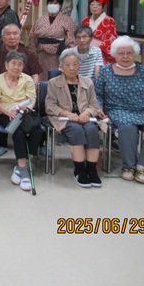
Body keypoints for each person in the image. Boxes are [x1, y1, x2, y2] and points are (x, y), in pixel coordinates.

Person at [95, 36, 144, 184]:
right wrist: (99, 108)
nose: (125, 56)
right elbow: (97, 94)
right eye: (121, 53)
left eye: (129, 53)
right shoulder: (106, 71)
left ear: (135, 54)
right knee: (127, 128)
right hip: (118, 109)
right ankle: (129, 166)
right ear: (115, 54)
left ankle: (143, 167)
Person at [46, 50, 103, 188]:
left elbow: (95, 105)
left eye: (75, 64)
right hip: (64, 118)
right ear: (61, 67)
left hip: (85, 118)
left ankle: (92, 170)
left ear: (80, 66)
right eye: (67, 65)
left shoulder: (88, 82)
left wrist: (87, 113)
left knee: (92, 131)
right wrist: (68, 114)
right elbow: (50, 105)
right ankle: (79, 170)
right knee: (76, 130)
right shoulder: (54, 82)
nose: (71, 68)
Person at [0, 51, 41, 192]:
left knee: (38, 131)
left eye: (20, 64)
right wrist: (9, 112)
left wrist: (25, 110)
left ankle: (21, 165)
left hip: (24, 112)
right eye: (13, 63)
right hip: (4, 112)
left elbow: (32, 99)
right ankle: (24, 170)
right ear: (6, 65)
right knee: (18, 132)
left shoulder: (27, 79)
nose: (16, 67)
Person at [29, 0, 76, 81]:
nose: (53, 5)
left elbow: (71, 38)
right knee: (42, 77)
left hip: (58, 54)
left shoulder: (67, 20)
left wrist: (68, 53)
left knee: (56, 77)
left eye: (55, 3)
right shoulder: (40, 20)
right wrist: (33, 51)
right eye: (50, 3)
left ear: (60, 5)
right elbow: (33, 36)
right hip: (41, 54)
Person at [81, 0, 117, 64]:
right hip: (86, 52)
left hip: (102, 53)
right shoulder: (85, 20)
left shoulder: (109, 21)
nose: (95, 7)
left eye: (98, 5)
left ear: (103, 7)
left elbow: (111, 39)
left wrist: (96, 46)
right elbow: (80, 36)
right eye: (92, 4)